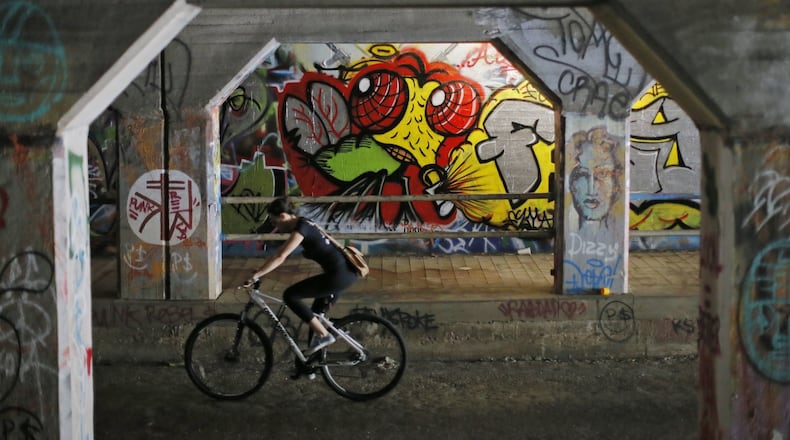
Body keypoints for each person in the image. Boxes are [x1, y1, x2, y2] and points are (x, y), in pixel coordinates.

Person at [246, 197, 358, 354]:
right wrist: (262, 270)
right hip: (343, 273)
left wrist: (257, 274)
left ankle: (325, 335)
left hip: (338, 276)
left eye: (274, 222)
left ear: (283, 216)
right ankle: (312, 364)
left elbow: (280, 256)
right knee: (315, 317)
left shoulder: (301, 228)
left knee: (290, 295)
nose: (274, 226)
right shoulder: (305, 222)